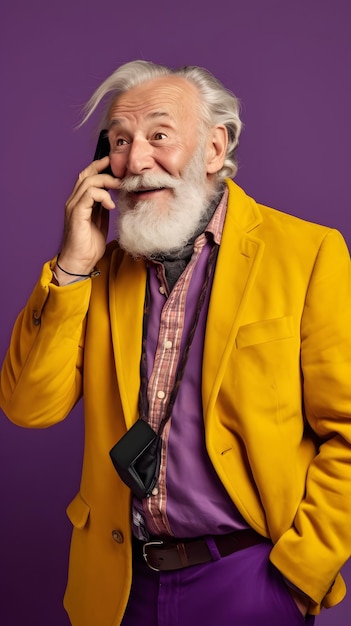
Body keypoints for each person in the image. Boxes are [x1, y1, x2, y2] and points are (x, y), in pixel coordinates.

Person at [1, 59, 351, 626]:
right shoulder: (99, 272)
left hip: (251, 576)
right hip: (119, 584)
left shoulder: (308, 255)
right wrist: (71, 267)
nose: (137, 161)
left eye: (159, 136)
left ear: (214, 149)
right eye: (119, 141)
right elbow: (28, 407)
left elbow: (349, 431)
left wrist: (300, 570)